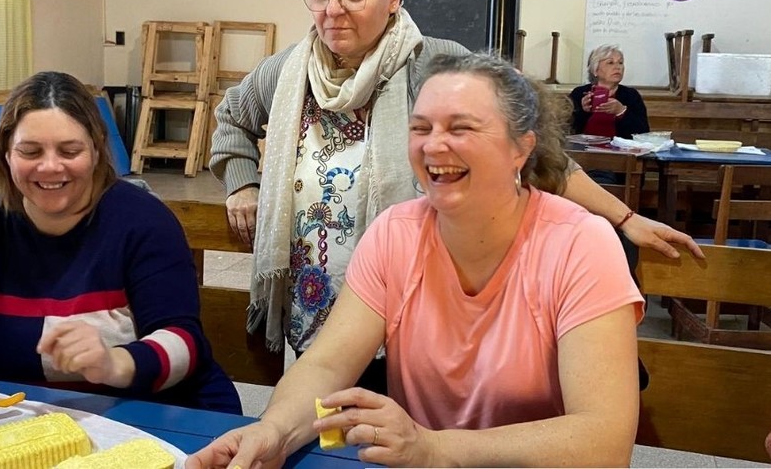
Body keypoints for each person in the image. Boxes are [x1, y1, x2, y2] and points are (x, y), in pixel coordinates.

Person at [210, 0, 700, 389]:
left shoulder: (440, 65)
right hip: (312, 297)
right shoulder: (286, 72)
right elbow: (230, 119)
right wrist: (244, 183)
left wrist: (624, 217)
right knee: (332, 432)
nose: (332, 9)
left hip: (414, 296)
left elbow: (538, 155)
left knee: (408, 429)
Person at [188, 52, 644, 468]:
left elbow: (603, 442)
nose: (433, 146)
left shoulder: (581, 244)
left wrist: (435, 448)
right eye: (421, 127)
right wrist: (274, 432)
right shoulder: (395, 234)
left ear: (521, 149)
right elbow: (327, 367)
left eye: (461, 128)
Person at [0, 71, 241, 425]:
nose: (50, 166)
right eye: (30, 151)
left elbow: (184, 341)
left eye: (70, 150)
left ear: (96, 151)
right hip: (32, 418)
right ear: (5, 155)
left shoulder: (144, 222)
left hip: (162, 414)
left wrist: (114, 363)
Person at [569, 44, 650, 142]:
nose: (617, 67)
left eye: (620, 63)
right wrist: (581, 110)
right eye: (610, 63)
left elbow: (643, 133)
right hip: (584, 152)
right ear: (595, 70)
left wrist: (621, 112)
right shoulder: (579, 93)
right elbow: (565, 129)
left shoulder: (631, 95)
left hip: (619, 154)